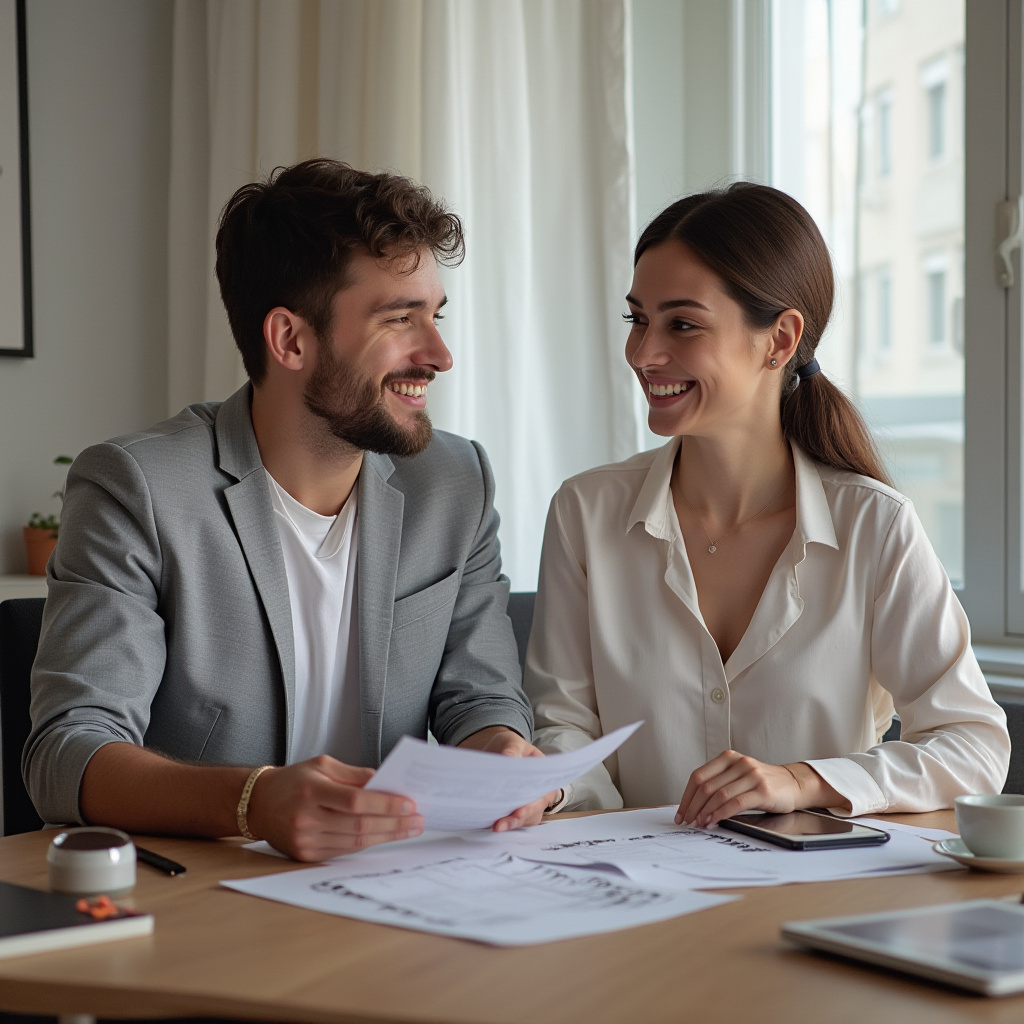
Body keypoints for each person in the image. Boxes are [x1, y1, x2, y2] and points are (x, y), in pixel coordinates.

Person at [25, 159, 556, 861]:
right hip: (205, 891)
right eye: (401, 319)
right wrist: (253, 802)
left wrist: (501, 750)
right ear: (290, 340)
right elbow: (67, 752)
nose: (440, 354)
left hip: (392, 885)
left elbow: (479, 697)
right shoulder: (139, 487)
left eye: (436, 315)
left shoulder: (455, 481)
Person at [525, 183, 1010, 825]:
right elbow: (563, 729)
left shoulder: (874, 526)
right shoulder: (584, 513)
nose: (643, 354)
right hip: (629, 894)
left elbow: (974, 745)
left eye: (683, 323)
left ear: (780, 340)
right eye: (637, 319)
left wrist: (801, 781)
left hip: (814, 904)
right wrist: (552, 787)